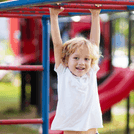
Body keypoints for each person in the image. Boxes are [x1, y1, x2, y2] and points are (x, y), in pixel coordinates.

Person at [49, 5, 103, 134]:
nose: (81, 63)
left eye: (86, 59)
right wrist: (54, 16)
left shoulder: (90, 73)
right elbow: (57, 45)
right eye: (76, 58)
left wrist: (95, 15)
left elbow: (95, 43)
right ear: (66, 59)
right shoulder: (64, 72)